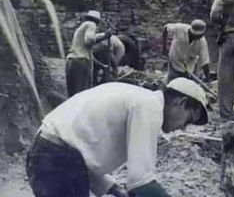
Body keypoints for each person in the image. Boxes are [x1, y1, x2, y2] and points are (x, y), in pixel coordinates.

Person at [26, 77, 208, 197]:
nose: (183, 127)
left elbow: (82, 149)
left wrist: (113, 189)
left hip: (50, 155)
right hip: (57, 161)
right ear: (181, 102)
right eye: (188, 120)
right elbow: (141, 181)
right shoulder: (150, 105)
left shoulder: (137, 97)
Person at [66, 10, 112, 97]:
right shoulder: (91, 25)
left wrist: (102, 65)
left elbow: (87, 53)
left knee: (72, 95)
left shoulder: (80, 28)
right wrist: (104, 37)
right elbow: (89, 40)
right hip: (80, 63)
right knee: (81, 94)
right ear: (97, 21)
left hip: (71, 61)